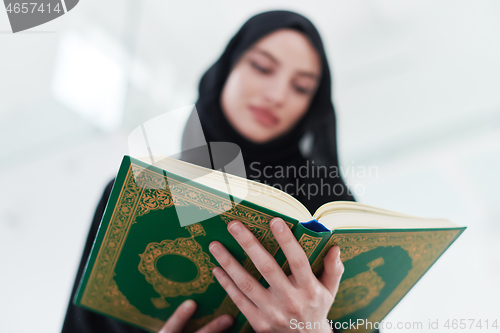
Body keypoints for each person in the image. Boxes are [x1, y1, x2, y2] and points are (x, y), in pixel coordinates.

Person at [62, 10, 359, 333]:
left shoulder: (331, 209)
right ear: (227, 69)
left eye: (301, 87)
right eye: (261, 67)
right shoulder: (133, 195)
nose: (276, 95)